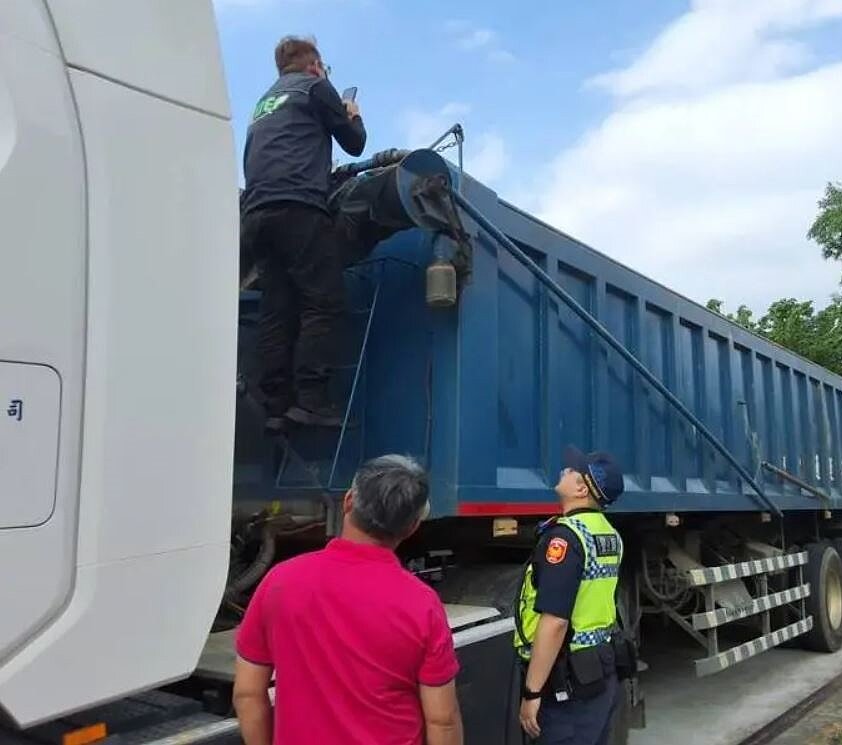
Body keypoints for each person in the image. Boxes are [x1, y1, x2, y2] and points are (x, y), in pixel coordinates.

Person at [233, 455, 464, 745]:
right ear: (412, 527)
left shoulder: (280, 582)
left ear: (348, 502)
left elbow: (247, 694)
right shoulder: (422, 605)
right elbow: (442, 721)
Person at [240, 36, 367, 431]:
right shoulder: (316, 87)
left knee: (277, 310)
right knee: (323, 301)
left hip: (256, 214)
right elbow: (356, 144)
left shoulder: (263, 104)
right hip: (297, 205)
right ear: (315, 65)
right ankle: (311, 400)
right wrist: (352, 113)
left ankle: (275, 407)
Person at [514, 446, 626, 744]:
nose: (564, 469)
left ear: (580, 488)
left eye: (571, 469)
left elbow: (555, 622)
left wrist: (532, 692)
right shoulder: (608, 534)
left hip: (569, 680)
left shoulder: (565, 538)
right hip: (599, 669)